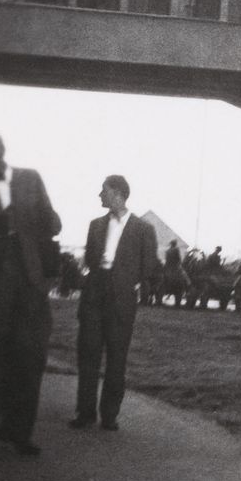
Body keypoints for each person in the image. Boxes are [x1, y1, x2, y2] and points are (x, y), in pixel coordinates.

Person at [0, 131, 62, 456]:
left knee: (30, 358)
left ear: (2, 150)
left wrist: (37, 223)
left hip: (30, 285)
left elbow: (52, 224)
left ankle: (19, 432)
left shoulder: (29, 178)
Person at [70, 175, 159, 432]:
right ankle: (84, 413)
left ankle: (109, 416)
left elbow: (149, 265)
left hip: (121, 300)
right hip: (94, 296)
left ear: (118, 194)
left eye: (104, 191)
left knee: (117, 358)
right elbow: (89, 258)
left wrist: (131, 284)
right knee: (88, 354)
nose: (100, 195)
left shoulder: (143, 229)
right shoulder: (95, 225)